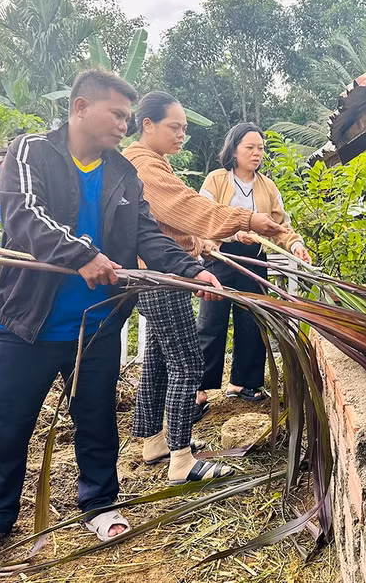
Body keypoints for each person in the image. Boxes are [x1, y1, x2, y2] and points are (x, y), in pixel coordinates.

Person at [0, 71, 224, 570]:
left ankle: (99, 503)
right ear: (80, 107)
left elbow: (147, 235)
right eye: (116, 114)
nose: (124, 125)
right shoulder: (31, 152)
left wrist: (192, 270)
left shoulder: (123, 172)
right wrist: (84, 254)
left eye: (127, 116)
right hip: (27, 325)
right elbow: (24, 215)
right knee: (9, 425)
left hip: (96, 325)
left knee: (96, 420)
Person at [121, 91, 287, 476]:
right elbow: (186, 207)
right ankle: (181, 459)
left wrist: (203, 243)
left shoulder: (153, 161)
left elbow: (168, 224)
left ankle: (155, 441)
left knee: (158, 360)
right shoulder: (144, 165)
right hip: (163, 275)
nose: (182, 134)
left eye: (184, 128)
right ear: (147, 124)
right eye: (174, 127)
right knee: (188, 362)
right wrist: (244, 220)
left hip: (162, 270)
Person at [197, 123, 310, 405]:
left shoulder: (267, 186)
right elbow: (203, 218)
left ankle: (243, 383)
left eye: (260, 148)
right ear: (233, 150)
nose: (256, 153)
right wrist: (234, 234)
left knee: (252, 321)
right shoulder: (216, 180)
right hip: (220, 256)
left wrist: (296, 245)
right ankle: (198, 389)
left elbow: (281, 225)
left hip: (254, 259)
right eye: (249, 147)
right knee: (211, 321)